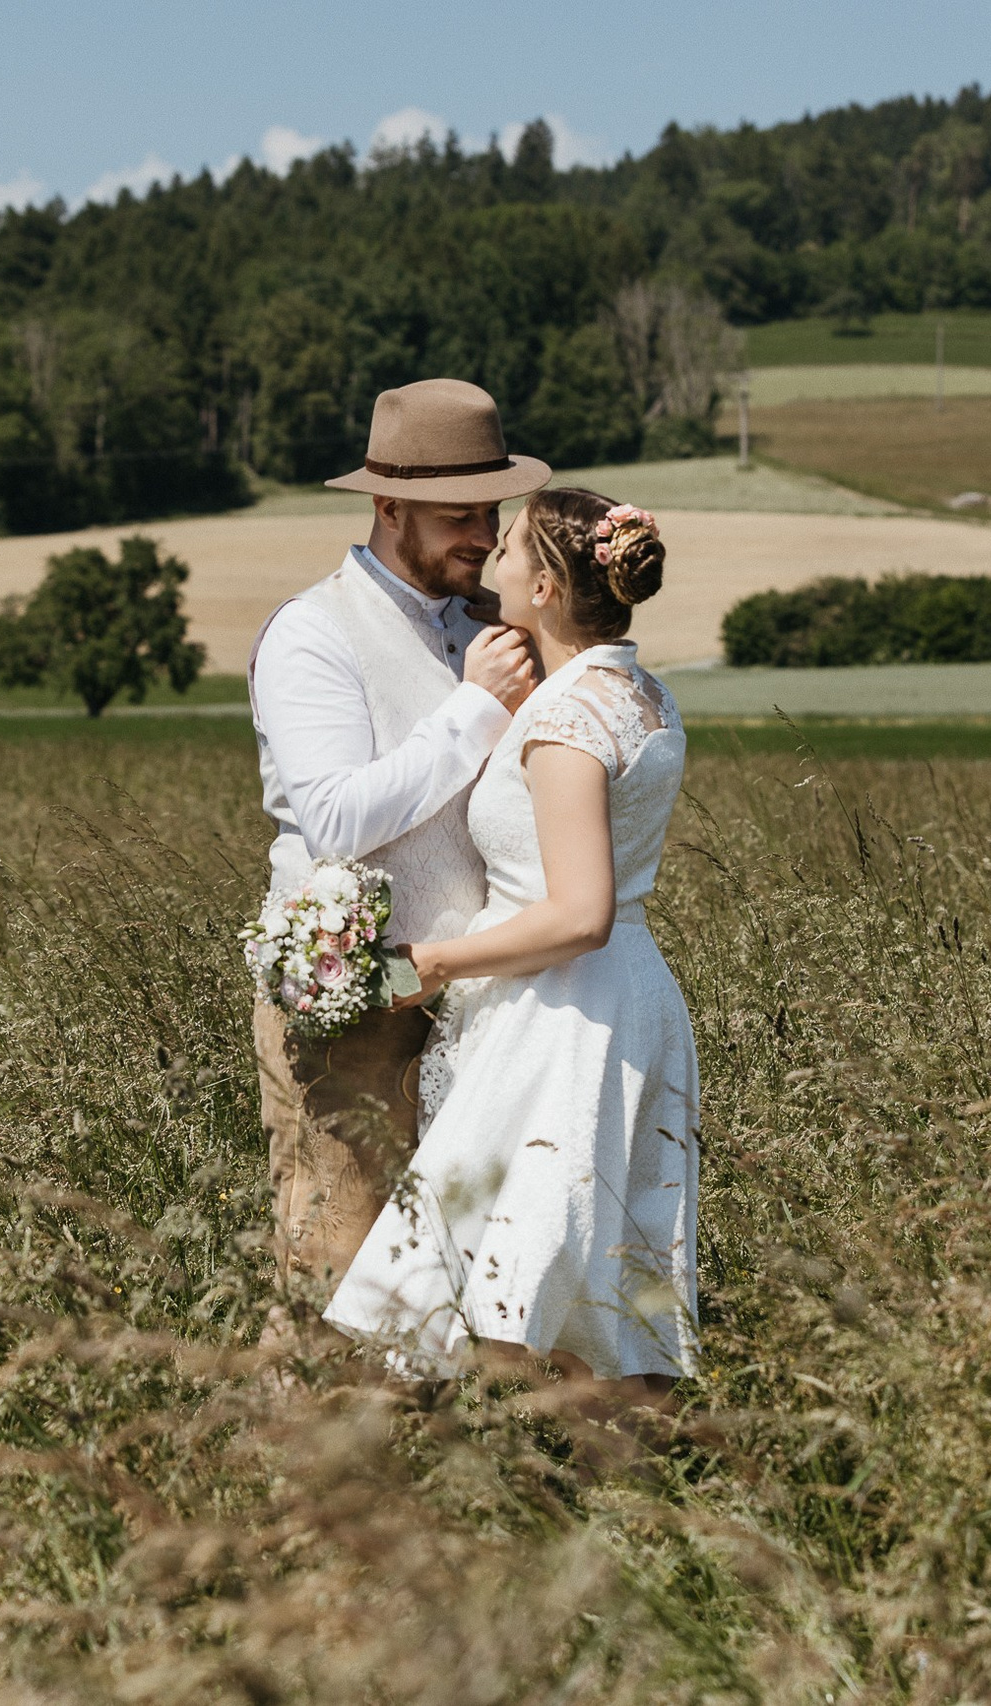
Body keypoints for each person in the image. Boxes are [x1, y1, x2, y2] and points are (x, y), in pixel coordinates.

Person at [323, 489, 698, 1390]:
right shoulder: (640, 692)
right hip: (619, 996)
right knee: (581, 1277)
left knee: (510, 1282)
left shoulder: (568, 721)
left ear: (542, 585)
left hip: (562, 1015)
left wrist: (433, 963)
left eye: (509, 548)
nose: (489, 555)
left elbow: (579, 914)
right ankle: (607, 1492)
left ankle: (524, 1488)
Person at [249, 378, 545, 1296]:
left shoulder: (490, 626)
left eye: (491, 510)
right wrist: (474, 709)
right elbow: (336, 820)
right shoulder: (313, 634)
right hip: (359, 1010)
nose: (484, 536)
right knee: (340, 1270)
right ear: (388, 507)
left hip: (484, 1004)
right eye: (459, 515)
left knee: (461, 1282)